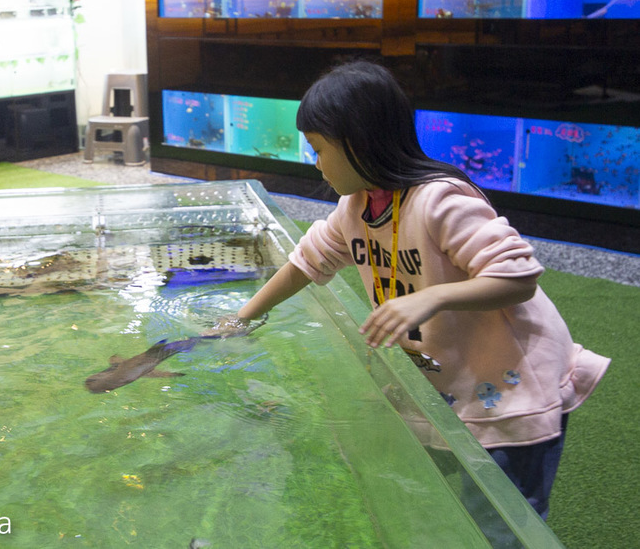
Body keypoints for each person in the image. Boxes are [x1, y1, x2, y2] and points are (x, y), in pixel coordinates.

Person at [211, 60, 610, 520]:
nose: (314, 161)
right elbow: (307, 262)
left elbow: (519, 276)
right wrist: (243, 316)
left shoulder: (441, 199)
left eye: (319, 149)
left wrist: (431, 296)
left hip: (514, 380)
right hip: (453, 372)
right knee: (436, 498)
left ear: (358, 143)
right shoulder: (355, 206)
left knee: (502, 521)